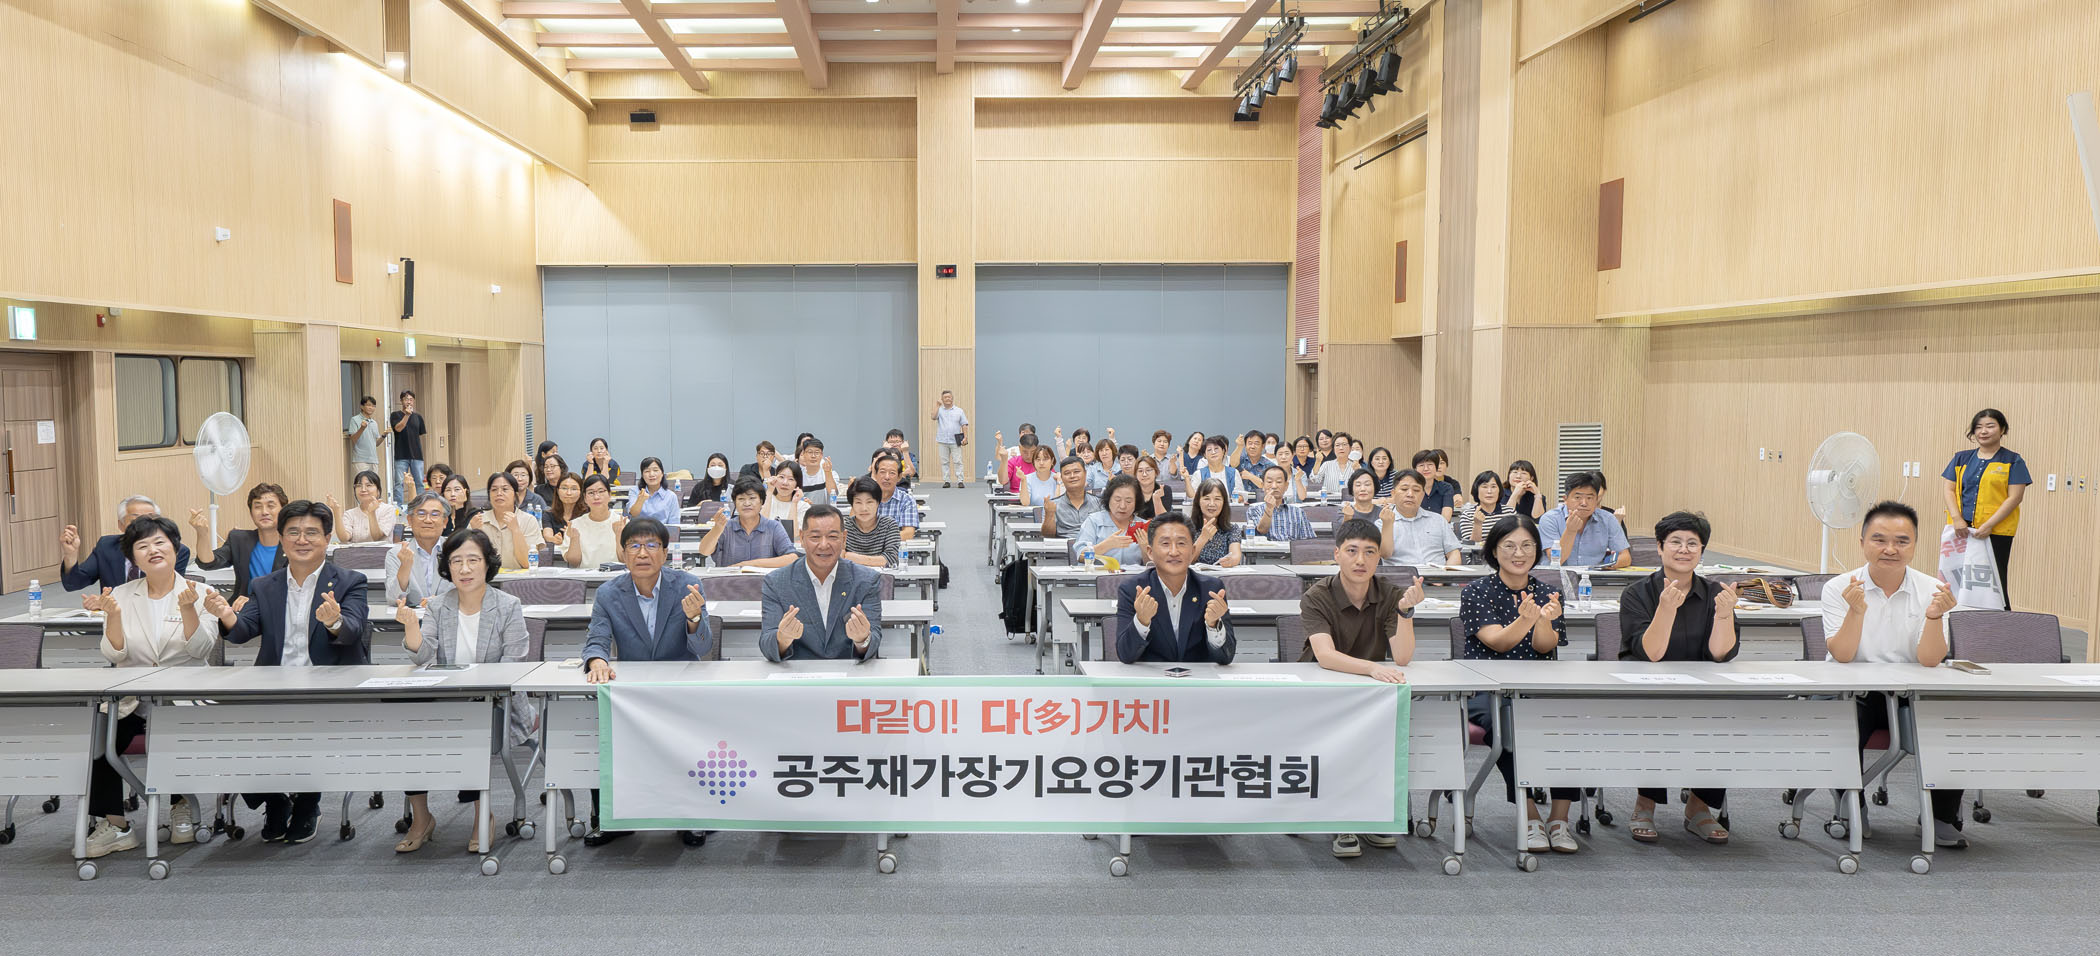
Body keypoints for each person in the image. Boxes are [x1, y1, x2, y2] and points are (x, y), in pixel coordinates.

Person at [205, 499, 369, 844]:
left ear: (327, 539)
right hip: (274, 686)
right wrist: (226, 615)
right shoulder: (265, 585)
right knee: (225, 731)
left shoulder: (350, 581)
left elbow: (353, 630)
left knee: (309, 730)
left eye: (311, 532)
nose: (302, 540)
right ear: (281, 538)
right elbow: (243, 631)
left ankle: (308, 803)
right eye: (293, 532)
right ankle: (275, 798)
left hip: (329, 688)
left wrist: (334, 621)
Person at [1821, 500, 1967, 849]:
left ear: (1914, 545)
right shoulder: (1839, 587)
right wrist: (1856, 612)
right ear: (1862, 542)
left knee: (1956, 723)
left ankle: (1941, 816)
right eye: (1879, 539)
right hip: (1854, 691)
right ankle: (1851, 807)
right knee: (1842, 724)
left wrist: (1934, 617)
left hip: (1911, 692)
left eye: (1902, 541)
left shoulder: (1933, 590)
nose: (1890, 549)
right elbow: (1843, 655)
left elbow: (1930, 660)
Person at [78, 515, 217, 859]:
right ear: (133, 557)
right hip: (131, 700)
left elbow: (201, 650)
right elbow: (114, 654)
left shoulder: (201, 593)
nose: (152, 550)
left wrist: (189, 610)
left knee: (174, 734)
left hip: (183, 700)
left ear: (175, 548)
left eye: (160, 542)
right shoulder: (121, 595)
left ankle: (181, 806)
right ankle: (115, 825)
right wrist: (112, 617)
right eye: (142, 546)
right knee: (97, 737)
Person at [390, 528, 530, 854]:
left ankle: (484, 813)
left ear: (487, 564)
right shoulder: (439, 606)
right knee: (407, 726)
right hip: (446, 702)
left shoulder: (508, 605)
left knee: (470, 727)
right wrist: (411, 627)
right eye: (456, 561)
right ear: (447, 567)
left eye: (473, 560)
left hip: (497, 705)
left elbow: (512, 666)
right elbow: (424, 657)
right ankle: (421, 818)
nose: (464, 569)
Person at [577, 517, 713, 848]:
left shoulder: (688, 585)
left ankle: (692, 817)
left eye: (652, 545)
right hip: (632, 691)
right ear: (623, 553)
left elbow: (703, 647)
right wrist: (597, 660)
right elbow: (597, 637)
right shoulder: (609, 593)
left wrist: (694, 618)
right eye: (634, 546)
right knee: (601, 730)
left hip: (680, 689)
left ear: (665, 553)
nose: (642, 553)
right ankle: (611, 817)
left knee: (686, 748)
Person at [1299, 517, 1424, 858]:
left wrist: (1406, 613)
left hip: (1371, 692)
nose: (1360, 560)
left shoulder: (1390, 594)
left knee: (1379, 736)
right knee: (1342, 739)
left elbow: (1402, 657)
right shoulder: (1317, 595)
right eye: (1352, 551)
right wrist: (1371, 668)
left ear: (1378, 558)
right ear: (1336, 554)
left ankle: (1370, 813)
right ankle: (1344, 819)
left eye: (1370, 552)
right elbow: (1325, 655)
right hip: (1323, 692)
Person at [1617, 511, 1740, 845]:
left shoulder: (1716, 593)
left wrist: (1724, 614)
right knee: (1655, 718)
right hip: (1648, 691)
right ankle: (1645, 804)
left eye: (1692, 544)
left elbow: (1720, 653)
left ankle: (1699, 807)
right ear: (1659, 547)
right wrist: (1666, 609)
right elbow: (1652, 653)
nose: (1684, 550)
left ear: (1702, 551)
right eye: (1675, 542)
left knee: (1725, 718)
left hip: (1703, 693)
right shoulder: (1636, 594)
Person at [1458, 514, 1579, 854]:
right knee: (1506, 723)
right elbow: (1497, 643)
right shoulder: (1476, 591)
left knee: (1571, 722)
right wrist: (1526, 620)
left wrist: (1542, 622)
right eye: (1509, 546)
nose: (1519, 553)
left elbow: (1544, 646)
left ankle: (1559, 819)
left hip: (1538, 686)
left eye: (1527, 546)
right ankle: (1530, 816)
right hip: (1488, 687)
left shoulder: (1548, 593)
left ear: (1537, 550)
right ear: (1494, 551)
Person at [761, 504, 885, 662]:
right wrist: (783, 639)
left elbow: (873, 643)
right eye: (815, 537)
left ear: (844, 538)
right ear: (802, 538)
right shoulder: (776, 582)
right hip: (797, 672)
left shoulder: (866, 580)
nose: (824, 545)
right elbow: (767, 645)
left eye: (832, 537)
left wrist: (862, 640)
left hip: (849, 672)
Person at [1113, 512, 1234, 664]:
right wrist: (1142, 621)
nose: (1174, 552)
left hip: (1198, 677)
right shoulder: (1133, 589)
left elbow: (1226, 657)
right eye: (1165, 544)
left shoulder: (1211, 589)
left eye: (1181, 543)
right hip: (1150, 677)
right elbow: (1125, 655)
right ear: (1150, 552)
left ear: (1192, 551)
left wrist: (1213, 625)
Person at [1941, 408, 2028, 609]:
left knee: (1993, 582)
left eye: (1990, 426)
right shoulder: (1961, 458)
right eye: (1978, 427)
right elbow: (1949, 489)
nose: (1983, 431)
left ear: (2002, 430)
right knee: (1957, 579)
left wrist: (1989, 525)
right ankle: (1956, 618)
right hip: (1960, 530)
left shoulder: (2013, 460)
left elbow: (2015, 497)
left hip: (1996, 532)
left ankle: (1999, 623)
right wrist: (1957, 519)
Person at [60, 495, 193, 591]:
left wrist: (109, 602)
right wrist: (70, 555)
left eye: (149, 519)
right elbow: (74, 584)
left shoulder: (175, 550)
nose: (143, 526)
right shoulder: (107, 546)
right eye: (136, 520)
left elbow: (167, 592)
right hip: (114, 618)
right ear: (121, 525)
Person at [189, 482, 288, 602]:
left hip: (280, 609)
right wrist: (202, 533)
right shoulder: (239, 540)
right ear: (251, 513)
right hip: (241, 609)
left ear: (283, 511)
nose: (264, 512)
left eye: (271, 506)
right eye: (257, 507)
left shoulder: (293, 545)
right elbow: (208, 562)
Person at [696, 477, 798, 569]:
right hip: (731, 582)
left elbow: (792, 558)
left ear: (761, 501)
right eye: (741, 499)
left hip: (763, 582)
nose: (747, 503)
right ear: (735, 503)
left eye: (752, 498)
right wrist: (716, 529)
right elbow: (704, 551)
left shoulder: (774, 527)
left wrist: (750, 564)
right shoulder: (726, 527)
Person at [1538, 471, 1632, 569]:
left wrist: (1606, 567)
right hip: (1557, 576)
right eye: (1577, 497)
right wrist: (1571, 531)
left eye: (1589, 498)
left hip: (1594, 575)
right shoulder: (1550, 519)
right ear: (1565, 499)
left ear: (1596, 500)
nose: (1584, 503)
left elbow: (1625, 557)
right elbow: (1557, 560)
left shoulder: (1608, 519)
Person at [1383, 470, 1463, 566]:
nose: (1410, 494)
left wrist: (1446, 573)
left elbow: (1454, 553)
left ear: (1422, 495)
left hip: (1438, 574)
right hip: (1403, 575)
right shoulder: (1383, 522)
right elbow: (1385, 555)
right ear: (1393, 493)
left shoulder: (1438, 520)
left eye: (1416, 490)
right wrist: (1387, 525)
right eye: (1404, 489)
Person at [387, 493, 453, 606]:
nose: (428, 520)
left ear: (445, 522)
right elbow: (393, 599)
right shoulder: (396, 554)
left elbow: (466, 592)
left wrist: (438, 601)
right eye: (421, 514)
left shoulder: (456, 550)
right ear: (410, 520)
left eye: (435, 515)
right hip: (410, 616)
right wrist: (405, 567)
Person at [474, 472, 543, 573]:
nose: (499, 493)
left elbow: (527, 563)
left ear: (515, 495)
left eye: (505, 489)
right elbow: (471, 561)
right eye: (494, 490)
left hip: (518, 580)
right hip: (486, 579)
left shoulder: (529, 520)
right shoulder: (478, 520)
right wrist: (475, 533)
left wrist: (516, 530)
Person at [1075, 474, 1147, 568]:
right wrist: (1106, 545)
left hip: (1134, 577)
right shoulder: (1094, 521)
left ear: (1136, 502)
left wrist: (1145, 549)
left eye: (1128, 501)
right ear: (1108, 499)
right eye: (1117, 500)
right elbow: (1081, 557)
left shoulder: (1143, 526)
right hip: (1098, 576)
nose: (1122, 506)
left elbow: (1152, 566)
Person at [559, 475, 624, 568]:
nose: (596, 497)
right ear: (585, 498)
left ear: (609, 495)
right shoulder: (574, 525)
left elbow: (625, 560)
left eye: (601, 491)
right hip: (584, 576)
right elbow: (573, 562)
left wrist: (619, 536)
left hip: (616, 576)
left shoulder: (622, 523)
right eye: (591, 493)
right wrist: (575, 539)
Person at [842, 477, 903, 569]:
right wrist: (878, 560)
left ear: (878, 503)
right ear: (852, 504)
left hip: (881, 577)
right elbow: (838, 558)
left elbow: (892, 559)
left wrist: (851, 557)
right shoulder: (843, 526)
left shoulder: (889, 525)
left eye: (869, 502)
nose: (864, 508)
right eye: (858, 502)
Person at [325, 471, 398, 545]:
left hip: (382, 552)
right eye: (359, 486)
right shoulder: (350, 514)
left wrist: (371, 512)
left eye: (368, 485)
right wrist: (336, 511)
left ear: (378, 490)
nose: (363, 489)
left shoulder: (388, 509)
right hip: (355, 552)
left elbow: (377, 537)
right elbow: (344, 538)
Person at [1452, 470, 1513, 558]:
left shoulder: (1510, 513)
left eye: (1493, 487)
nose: (1489, 491)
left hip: (1506, 558)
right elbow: (1471, 547)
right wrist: (1478, 524)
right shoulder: (1468, 515)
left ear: (1499, 490)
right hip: (1479, 559)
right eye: (1484, 487)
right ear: (1477, 490)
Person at [1041, 456, 1104, 540]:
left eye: (1076, 472)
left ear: (1085, 474)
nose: (1072, 476)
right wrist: (1050, 514)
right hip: (1064, 546)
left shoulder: (1099, 503)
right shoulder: (1053, 505)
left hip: (1093, 546)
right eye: (1067, 473)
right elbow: (1048, 535)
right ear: (1062, 478)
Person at [1247, 465, 1313, 542]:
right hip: (1266, 549)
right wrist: (1269, 508)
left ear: (1286, 486)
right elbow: (1261, 530)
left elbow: (1309, 542)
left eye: (1279, 482)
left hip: (1291, 549)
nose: (1274, 486)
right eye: (1269, 482)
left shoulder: (1298, 512)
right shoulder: (1253, 510)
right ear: (1263, 485)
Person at [1188, 479, 1243, 568]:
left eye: (1217, 499)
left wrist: (1231, 561)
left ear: (1224, 502)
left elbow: (1235, 555)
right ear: (1198, 501)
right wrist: (1203, 537)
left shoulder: (1232, 529)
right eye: (1206, 498)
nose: (1212, 504)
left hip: (1222, 575)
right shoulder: (1187, 528)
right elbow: (1186, 560)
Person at [869, 451, 919, 542]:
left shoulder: (907, 500)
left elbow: (908, 533)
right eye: (882, 472)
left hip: (895, 548)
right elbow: (852, 529)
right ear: (875, 475)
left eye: (892, 473)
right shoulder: (865, 497)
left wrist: (876, 540)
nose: (887, 477)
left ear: (899, 477)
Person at [389, 390, 427, 504]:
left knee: (419, 483)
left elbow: (421, 434)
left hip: (417, 456)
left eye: (411, 399)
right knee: (399, 483)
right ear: (401, 401)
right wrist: (407, 415)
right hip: (401, 455)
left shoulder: (418, 417)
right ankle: (399, 508)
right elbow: (398, 428)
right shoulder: (395, 415)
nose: (409, 402)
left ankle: (420, 506)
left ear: (413, 401)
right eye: (406, 399)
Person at [625, 457, 681, 526]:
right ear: (642, 475)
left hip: (662, 532)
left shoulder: (671, 496)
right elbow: (633, 514)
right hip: (639, 531)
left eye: (655, 470)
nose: (651, 474)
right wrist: (640, 500)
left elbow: (674, 524)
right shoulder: (635, 491)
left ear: (662, 473)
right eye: (647, 471)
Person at [931, 390, 971, 487]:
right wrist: (937, 405)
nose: (947, 399)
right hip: (942, 440)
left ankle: (960, 480)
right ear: (942, 399)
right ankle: (947, 481)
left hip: (955, 441)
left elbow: (964, 424)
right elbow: (933, 417)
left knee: (958, 461)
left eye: (949, 397)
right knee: (944, 462)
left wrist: (965, 437)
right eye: (945, 397)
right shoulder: (939, 410)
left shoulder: (959, 411)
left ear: (952, 398)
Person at [345, 395, 382, 488]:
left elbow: (376, 443)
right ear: (362, 406)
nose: (371, 408)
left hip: (373, 460)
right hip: (360, 459)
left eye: (373, 406)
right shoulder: (355, 420)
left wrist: (384, 435)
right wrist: (362, 428)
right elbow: (353, 439)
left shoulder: (374, 423)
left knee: (373, 486)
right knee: (362, 486)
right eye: (368, 405)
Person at [766, 460, 811, 534]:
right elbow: (759, 528)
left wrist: (794, 503)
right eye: (781, 477)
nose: (785, 483)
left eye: (791, 479)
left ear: (797, 484)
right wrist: (769, 492)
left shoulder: (803, 507)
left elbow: (793, 535)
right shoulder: (763, 500)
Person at [1193, 436, 1242, 501]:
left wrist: (1231, 499)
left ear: (1223, 451)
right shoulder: (1198, 474)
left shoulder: (1234, 472)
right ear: (1205, 455)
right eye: (1209, 450)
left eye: (1216, 449)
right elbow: (1194, 496)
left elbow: (1240, 495)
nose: (1213, 452)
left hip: (1229, 506)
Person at [542, 472, 584, 542]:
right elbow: (547, 535)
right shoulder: (548, 514)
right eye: (564, 488)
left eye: (574, 489)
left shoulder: (588, 513)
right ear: (557, 491)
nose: (568, 493)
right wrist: (554, 539)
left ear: (581, 492)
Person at [1132, 455, 1177, 520]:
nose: (1144, 474)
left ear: (1156, 472)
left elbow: (1164, 519)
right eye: (1140, 471)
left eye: (1148, 470)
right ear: (1135, 474)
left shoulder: (1164, 490)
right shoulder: (1131, 491)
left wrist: (1157, 499)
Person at [436, 472, 478, 538]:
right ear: (443, 494)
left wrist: (459, 507)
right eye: (448, 490)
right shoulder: (441, 516)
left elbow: (460, 538)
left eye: (457, 489)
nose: (452, 494)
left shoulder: (475, 515)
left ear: (466, 492)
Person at [1413, 450, 1454, 518]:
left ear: (1436, 468)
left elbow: (1446, 517)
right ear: (1415, 469)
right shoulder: (1410, 489)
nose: (1426, 469)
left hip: (1440, 524)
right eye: (1421, 465)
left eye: (1430, 464)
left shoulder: (1446, 488)